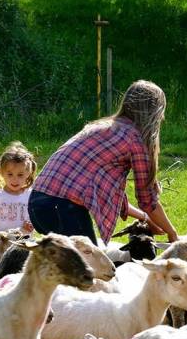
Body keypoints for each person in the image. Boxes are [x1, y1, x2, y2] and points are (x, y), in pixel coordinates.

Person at [29, 80, 178, 246]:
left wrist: (146, 219)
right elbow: (147, 200)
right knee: (90, 267)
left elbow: (109, 192)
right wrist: (172, 234)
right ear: (155, 113)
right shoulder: (135, 139)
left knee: (63, 268)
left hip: (36, 203)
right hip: (63, 209)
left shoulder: (101, 127)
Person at [0, 141, 37, 234]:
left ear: (28, 173)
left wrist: (31, 226)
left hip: (24, 244)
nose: (15, 180)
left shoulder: (31, 196)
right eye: (10, 174)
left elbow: (34, 221)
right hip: (0, 245)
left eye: (20, 175)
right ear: (2, 173)